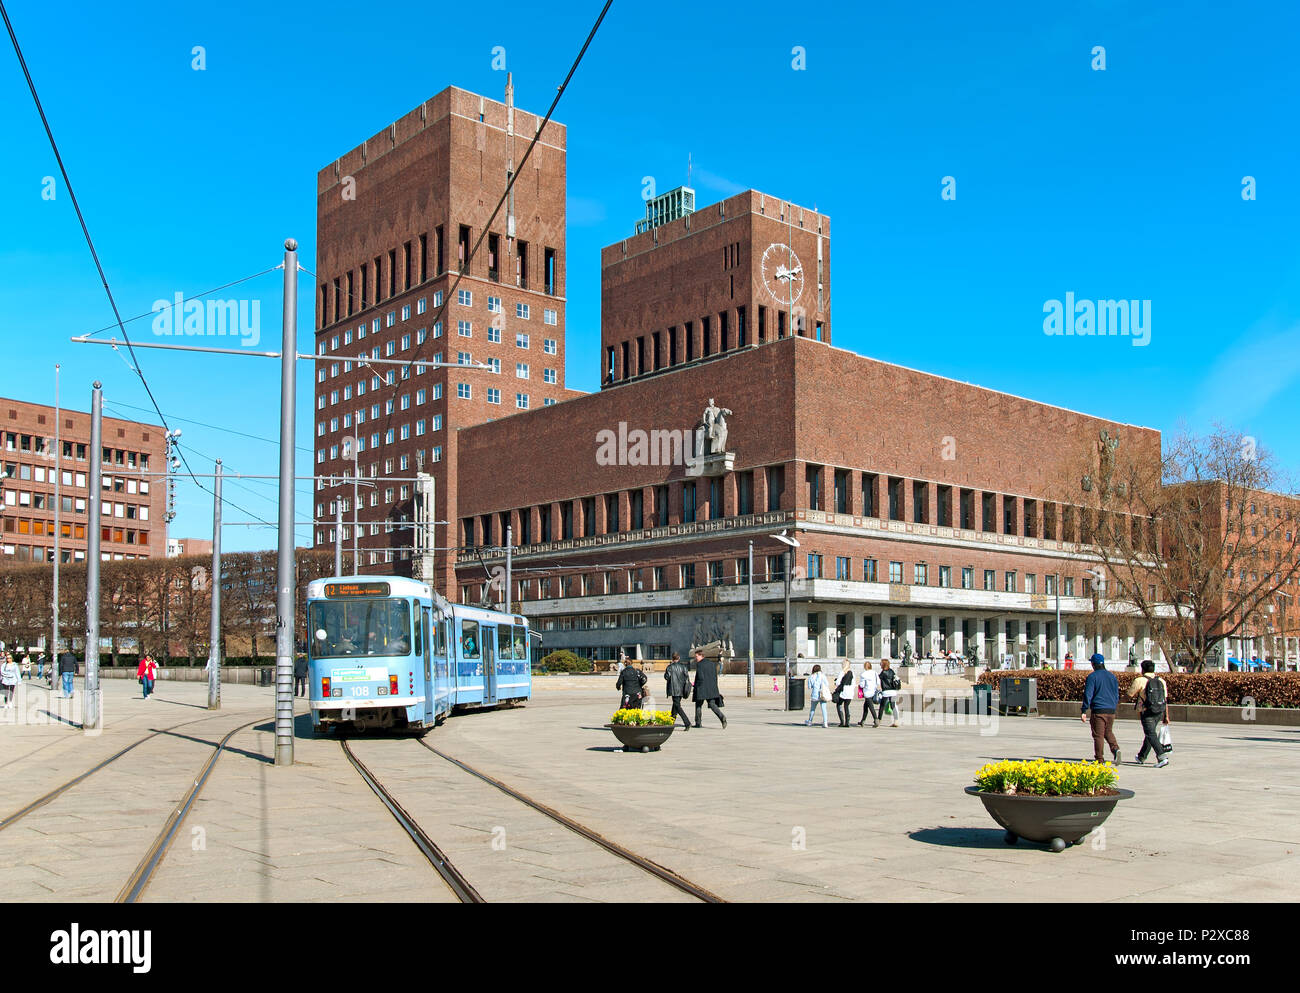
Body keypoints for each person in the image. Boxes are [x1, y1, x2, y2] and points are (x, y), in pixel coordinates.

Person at [1129, 660, 1171, 767]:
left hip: (1146, 711)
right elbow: (1165, 700)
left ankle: (1162, 757)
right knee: (1150, 733)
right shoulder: (1161, 680)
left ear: (1142, 669)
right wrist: (1166, 716)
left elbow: (1130, 694)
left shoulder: (1140, 680)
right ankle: (1141, 756)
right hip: (1159, 711)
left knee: (1150, 733)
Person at [1080, 653, 1120, 763]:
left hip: (1098, 710)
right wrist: (1113, 705)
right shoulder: (1112, 676)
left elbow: (1088, 694)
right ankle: (1116, 749)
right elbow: (1116, 694)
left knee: (1098, 735)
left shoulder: (1092, 677)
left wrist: (1084, 710)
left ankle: (1099, 759)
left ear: (1093, 664)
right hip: (1111, 710)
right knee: (1108, 732)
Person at [691, 649, 726, 728]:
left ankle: (698, 723)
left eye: (696, 656)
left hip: (702, 688)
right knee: (712, 704)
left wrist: (695, 685)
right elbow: (715, 677)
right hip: (711, 688)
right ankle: (722, 717)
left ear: (701, 655)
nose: (696, 658)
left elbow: (700, 677)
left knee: (698, 705)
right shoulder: (712, 664)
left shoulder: (700, 665)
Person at [664, 652, 692, 730]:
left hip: (674, 689)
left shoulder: (670, 667)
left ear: (672, 659)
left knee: (677, 706)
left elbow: (667, 677)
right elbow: (687, 678)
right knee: (675, 705)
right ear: (679, 658)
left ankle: (687, 723)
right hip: (681, 689)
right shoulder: (683, 667)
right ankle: (671, 722)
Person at [832, 659, 855, 727]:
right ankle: (847, 722)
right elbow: (853, 683)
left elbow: (838, 682)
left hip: (843, 692)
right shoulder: (852, 672)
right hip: (850, 692)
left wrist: (836, 682)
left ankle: (842, 721)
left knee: (839, 705)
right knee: (847, 706)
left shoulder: (842, 672)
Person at [857, 661, 881, 727]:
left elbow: (862, 685)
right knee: (865, 706)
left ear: (865, 667)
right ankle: (862, 721)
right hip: (874, 691)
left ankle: (876, 720)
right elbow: (878, 682)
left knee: (871, 707)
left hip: (867, 692)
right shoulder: (875, 673)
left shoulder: (863, 674)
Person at [879, 658, 902, 727]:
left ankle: (878, 720)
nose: (880, 664)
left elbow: (879, 679)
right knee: (893, 706)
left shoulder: (883, 673)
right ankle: (896, 721)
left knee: (882, 706)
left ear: (883, 664)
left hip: (886, 691)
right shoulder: (892, 671)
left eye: (881, 663)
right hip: (893, 691)